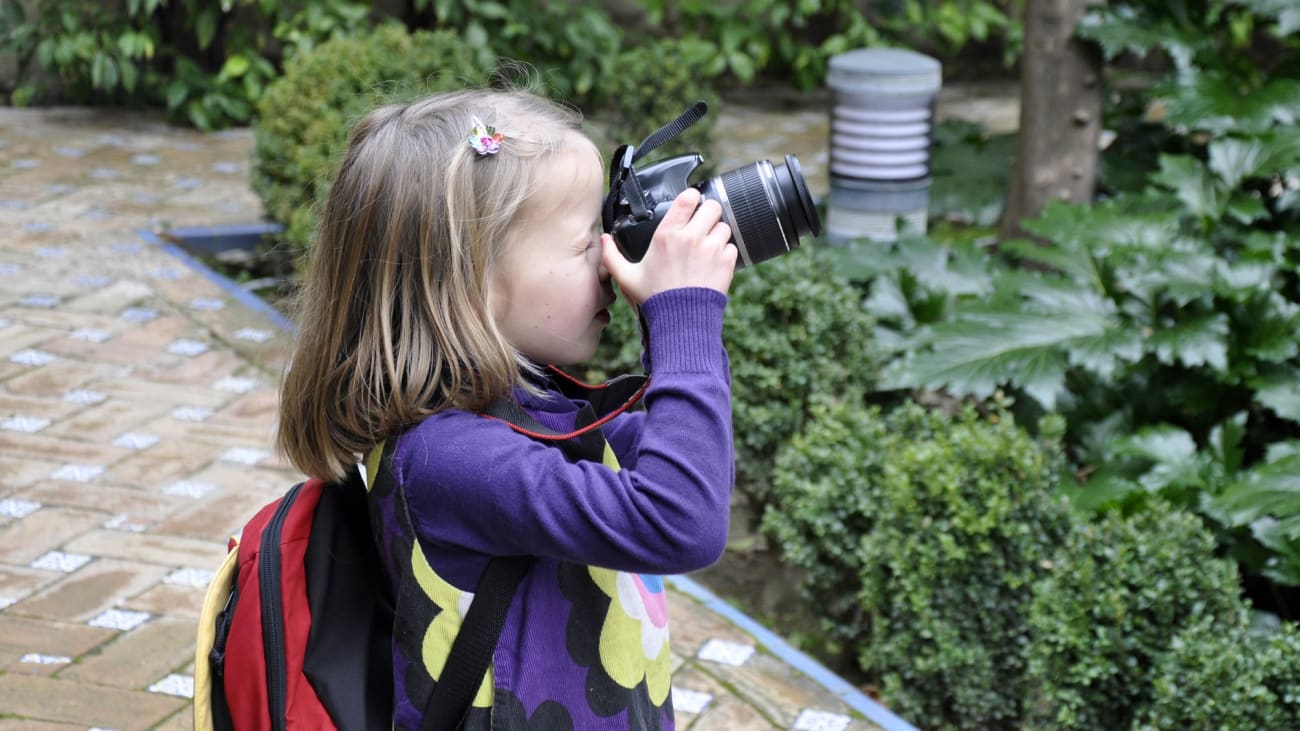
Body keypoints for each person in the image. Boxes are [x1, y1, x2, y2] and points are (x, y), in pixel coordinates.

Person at [276, 86, 736, 730]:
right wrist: (686, 312)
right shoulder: (449, 458)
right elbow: (681, 518)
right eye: (586, 245)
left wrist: (675, 317)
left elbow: (685, 459)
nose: (611, 260)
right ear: (471, 281)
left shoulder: (525, 409)